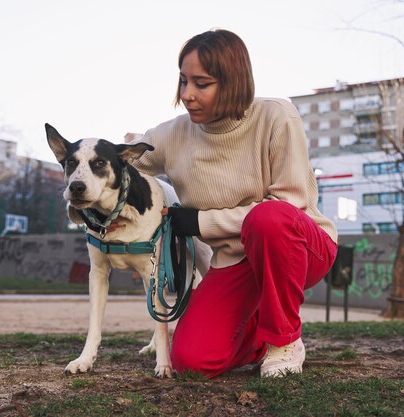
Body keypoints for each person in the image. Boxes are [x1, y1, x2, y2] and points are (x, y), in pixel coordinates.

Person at [132, 29, 338, 378]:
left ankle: (285, 341)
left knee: (269, 218)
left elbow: (291, 204)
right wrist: (83, 169)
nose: (187, 95)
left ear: (232, 81)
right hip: (233, 261)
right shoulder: (172, 134)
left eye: (202, 83)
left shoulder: (277, 117)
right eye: (183, 81)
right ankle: (259, 338)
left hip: (300, 247)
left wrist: (201, 223)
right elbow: (123, 159)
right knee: (192, 361)